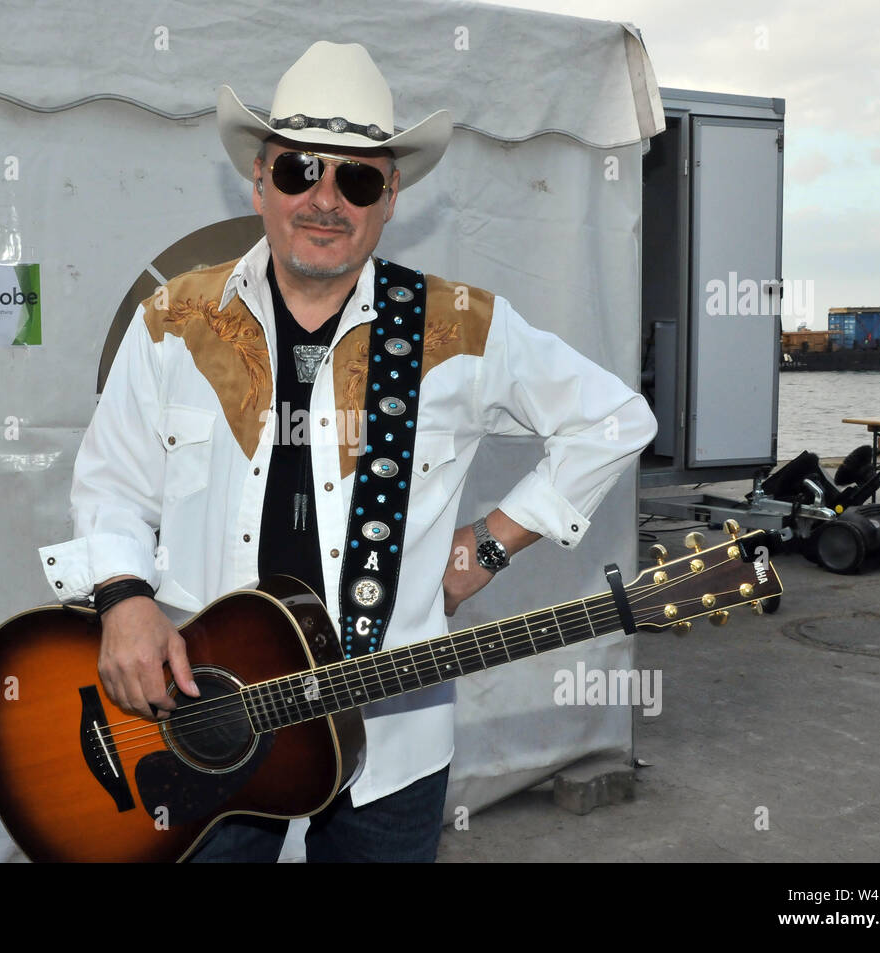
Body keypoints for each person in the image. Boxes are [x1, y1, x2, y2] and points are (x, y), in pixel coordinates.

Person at [39, 41, 658, 862]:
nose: (325, 199)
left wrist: (492, 546)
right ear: (258, 177)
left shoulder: (457, 326)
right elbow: (113, 480)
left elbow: (614, 419)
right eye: (300, 171)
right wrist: (121, 600)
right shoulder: (172, 321)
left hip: (389, 736)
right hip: (199, 718)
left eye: (357, 177)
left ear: (391, 194)